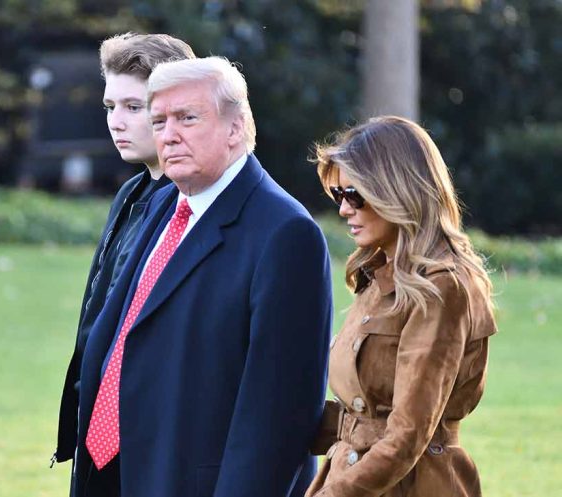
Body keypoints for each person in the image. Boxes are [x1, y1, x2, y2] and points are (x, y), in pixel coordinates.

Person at [74, 57, 333, 497]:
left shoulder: (286, 233)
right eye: (159, 121)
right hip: (116, 472)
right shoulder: (163, 205)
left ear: (236, 128)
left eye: (187, 118)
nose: (168, 134)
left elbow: (280, 414)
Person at [306, 116, 497, 497]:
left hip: (411, 485)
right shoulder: (379, 274)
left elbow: (407, 435)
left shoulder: (442, 287)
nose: (344, 209)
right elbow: (361, 416)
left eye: (355, 194)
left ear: (397, 191)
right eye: (339, 196)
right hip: (355, 478)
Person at [53, 33, 195, 480]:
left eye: (133, 107)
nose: (117, 122)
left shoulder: (192, 207)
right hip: (97, 424)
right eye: (110, 107)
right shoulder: (132, 193)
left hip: (147, 439)